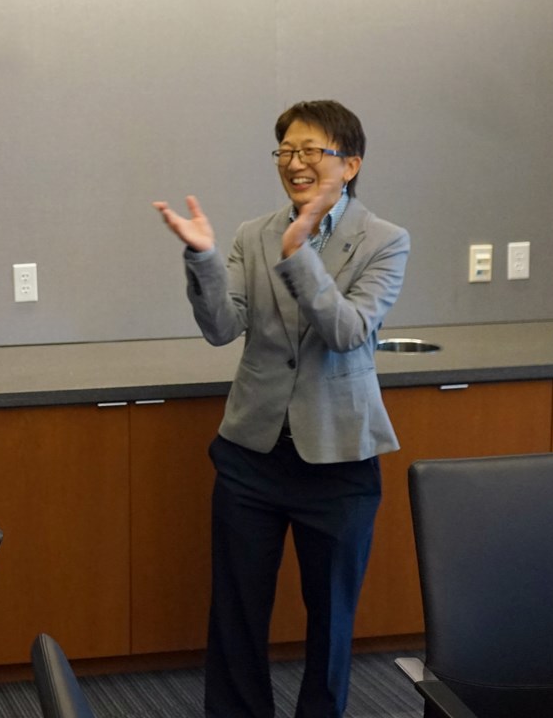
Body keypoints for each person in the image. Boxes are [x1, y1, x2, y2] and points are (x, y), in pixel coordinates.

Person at [153, 100, 409, 718]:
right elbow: (221, 328)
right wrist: (202, 258)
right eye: (286, 152)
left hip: (339, 459)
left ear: (349, 165)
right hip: (253, 456)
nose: (295, 164)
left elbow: (348, 331)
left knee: (331, 619)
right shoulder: (252, 234)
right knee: (237, 612)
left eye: (310, 151)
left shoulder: (385, 241)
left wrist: (300, 256)